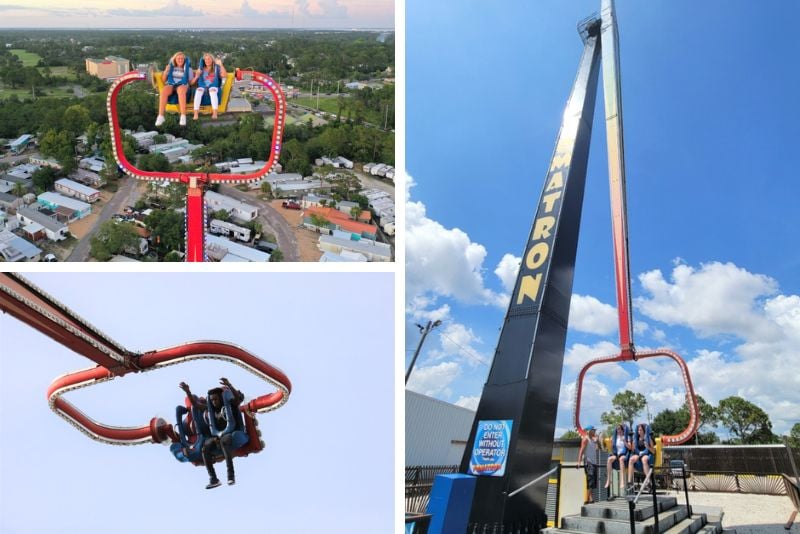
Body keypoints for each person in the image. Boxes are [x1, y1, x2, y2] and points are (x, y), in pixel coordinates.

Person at [201, 377, 247, 489]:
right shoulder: (212, 409)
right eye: (212, 400)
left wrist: (229, 385)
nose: (214, 402)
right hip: (217, 434)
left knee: (224, 441)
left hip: (233, 432)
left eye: (216, 399)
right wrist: (188, 392)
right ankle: (213, 479)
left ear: (221, 398)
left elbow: (238, 400)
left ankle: (231, 476)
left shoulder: (229, 403)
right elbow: (198, 407)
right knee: (205, 448)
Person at [156, 51, 191, 127]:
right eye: (178, 58)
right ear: (175, 59)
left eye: (182, 58)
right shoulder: (171, 68)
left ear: (184, 60)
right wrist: (166, 71)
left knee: (181, 89)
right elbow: (163, 80)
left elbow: (191, 82)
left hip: (183, 85)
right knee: (164, 90)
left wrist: (197, 76)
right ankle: (161, 116)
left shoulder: (188, 69)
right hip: (172, 84)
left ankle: (183, 116)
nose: (180, 60)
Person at [191, 53, 227, 120]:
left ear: (212, 60)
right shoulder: (201, 69)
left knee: (212, 91)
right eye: (206, 59)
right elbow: (196, 79)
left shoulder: (216, 68)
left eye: (209, 59)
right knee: (198, 91)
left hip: (213, 86)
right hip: (203, 86)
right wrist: (197, 75)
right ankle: (196, 113)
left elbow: (224, 75)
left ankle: (215, 113)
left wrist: (221, 65)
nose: (207, 61)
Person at [604, 423, 632, 498]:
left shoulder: (627, 437)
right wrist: (610, 442)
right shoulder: (615, 437)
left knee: (621, 459)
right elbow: (612, 448)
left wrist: (625, 442)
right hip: (617, 455)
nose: (618, 430)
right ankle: (609, 480)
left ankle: (622, 481)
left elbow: (630, 448)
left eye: (619, 429)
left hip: (624, 455)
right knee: (609, 459)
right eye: (617, 429)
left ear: (623, 430)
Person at [627, 423, 656, 492]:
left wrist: (648, 447)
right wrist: (633, 447)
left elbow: (653, 451)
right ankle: (629, 482)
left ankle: (648, 482)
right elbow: (634, 449)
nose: (639, 432)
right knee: (631, 459)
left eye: (641, 430)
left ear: (644, 431)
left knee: (644, 459)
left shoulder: (649, 439)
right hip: (638, 453)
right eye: (638, 430)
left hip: (647, 453)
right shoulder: (636, 439)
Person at [577, 425, 600, 505]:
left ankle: (590, 499)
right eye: (593, 430)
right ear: (589, 431)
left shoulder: (593, 440)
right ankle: (587, 500)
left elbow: (597, 449)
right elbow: (581, 451)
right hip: (588, 462)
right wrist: (579, 462)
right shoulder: (585, 439)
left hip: (594, 462)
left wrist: (597, 441)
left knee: (593, 482)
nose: (595, 431)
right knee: (590, 481)